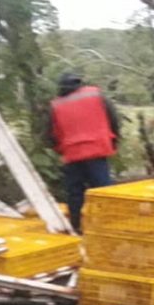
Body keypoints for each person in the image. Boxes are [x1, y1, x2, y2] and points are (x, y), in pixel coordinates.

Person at [44, 72, 120, 232]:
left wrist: (60, 150)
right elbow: (113, 119)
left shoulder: (56, 105)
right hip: (98, 150)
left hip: (72, 154)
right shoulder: (95, 94)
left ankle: (77, 227)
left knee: (75, 193)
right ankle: (108, 225)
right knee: (102, 190)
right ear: (79, 82)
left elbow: (51, 134)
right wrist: (113, 140)